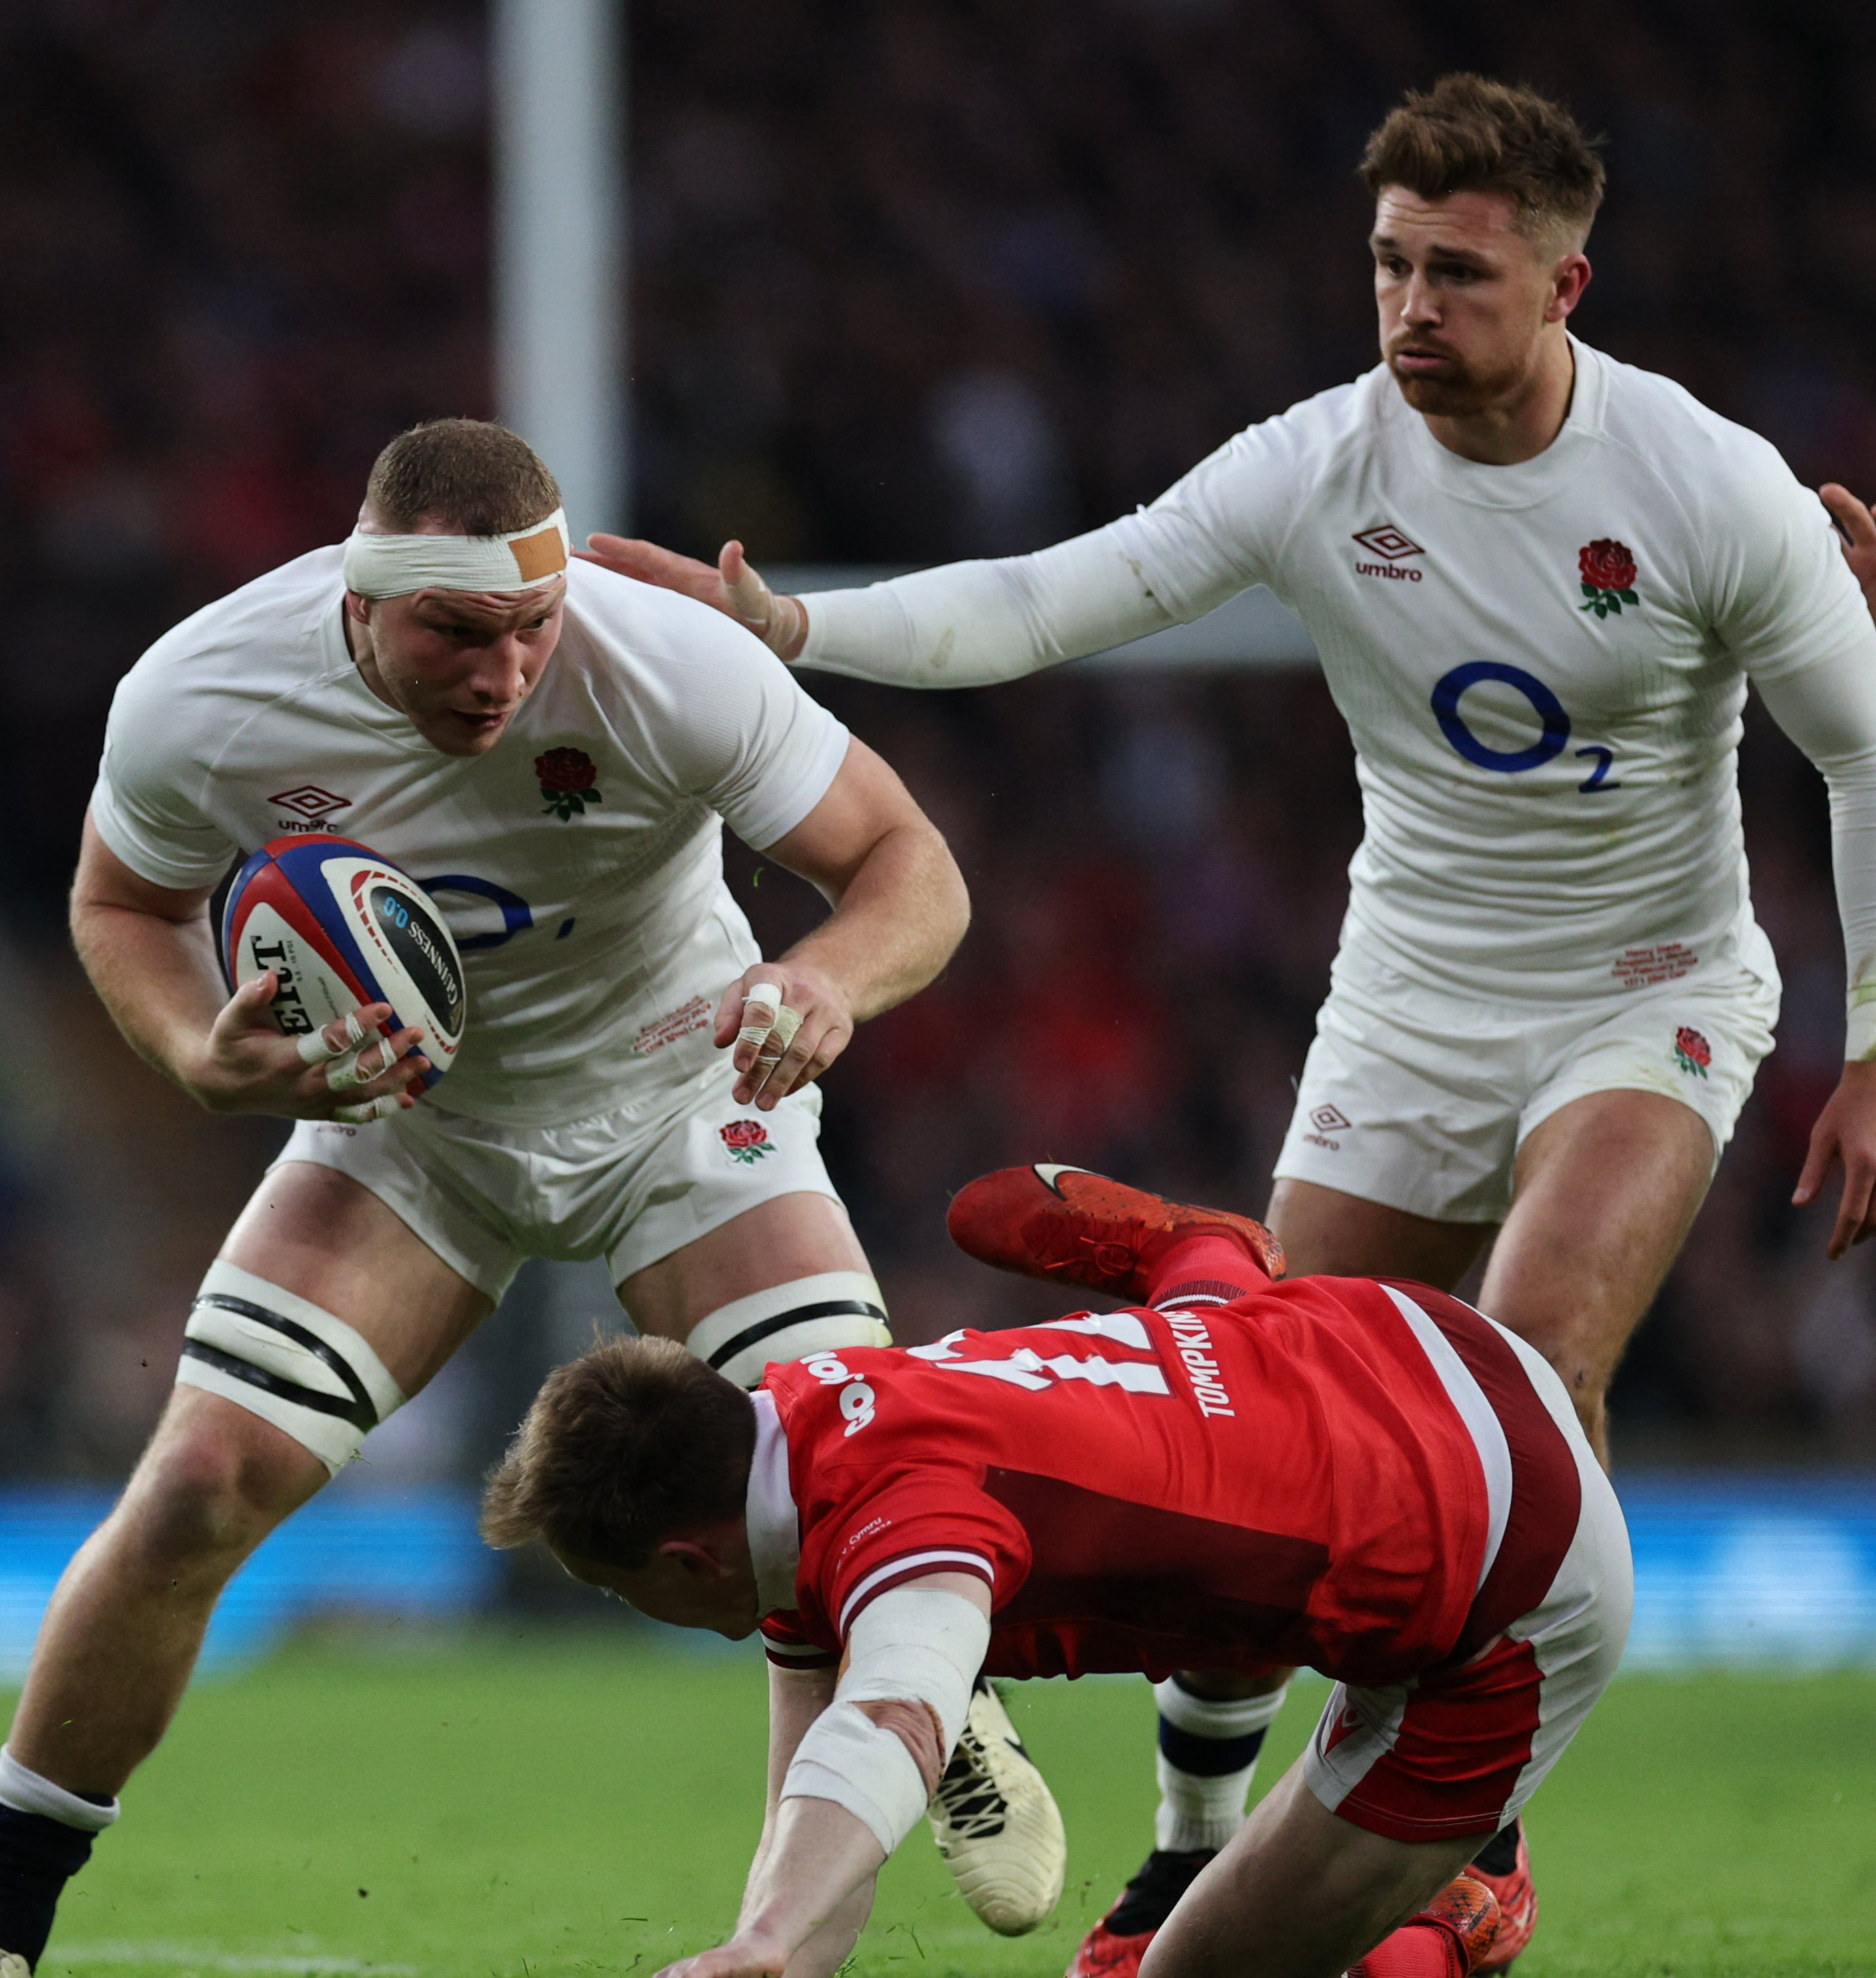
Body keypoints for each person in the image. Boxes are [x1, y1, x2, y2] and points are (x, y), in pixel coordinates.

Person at [582, 72, 1876, 1971]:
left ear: (1567, 281)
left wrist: (1873, 1036)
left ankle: (1469, 1839)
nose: (1410, 307)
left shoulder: (1703, 486)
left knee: (1525, 1370)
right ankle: (1196, 1844)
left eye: (1457, 272)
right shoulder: (1319, 466)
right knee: (1267, 1432)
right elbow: (1044, 602)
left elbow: (1858, 742)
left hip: (1645, 989)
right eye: (1385, 265)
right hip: (1406, 1003)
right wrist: (791, 632)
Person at [0, 419, 1023, 1978]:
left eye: (531, 629)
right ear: (361, 599)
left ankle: (801, 1925)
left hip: (686, 1095)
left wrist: (824, 978)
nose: (503, 673)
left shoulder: (667, 663)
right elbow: (119, 903)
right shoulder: (202, 695)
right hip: (410, 1128)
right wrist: (191, 1058)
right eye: (458, 633)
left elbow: (908, 862)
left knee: (823, 1497)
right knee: (200, 1484)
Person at [482, 1161, 1629, 1978]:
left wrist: (764, 1940)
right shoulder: (798, 1414)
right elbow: (817, 1819)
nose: (650, 1616)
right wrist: (771, 1946)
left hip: (1513, 1579)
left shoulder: (901, 1524)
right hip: (1406, 1342)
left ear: (685, 1559)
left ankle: (1465, 1898)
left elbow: (891, 1718)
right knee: (1211, 1472)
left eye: (626, 1591)